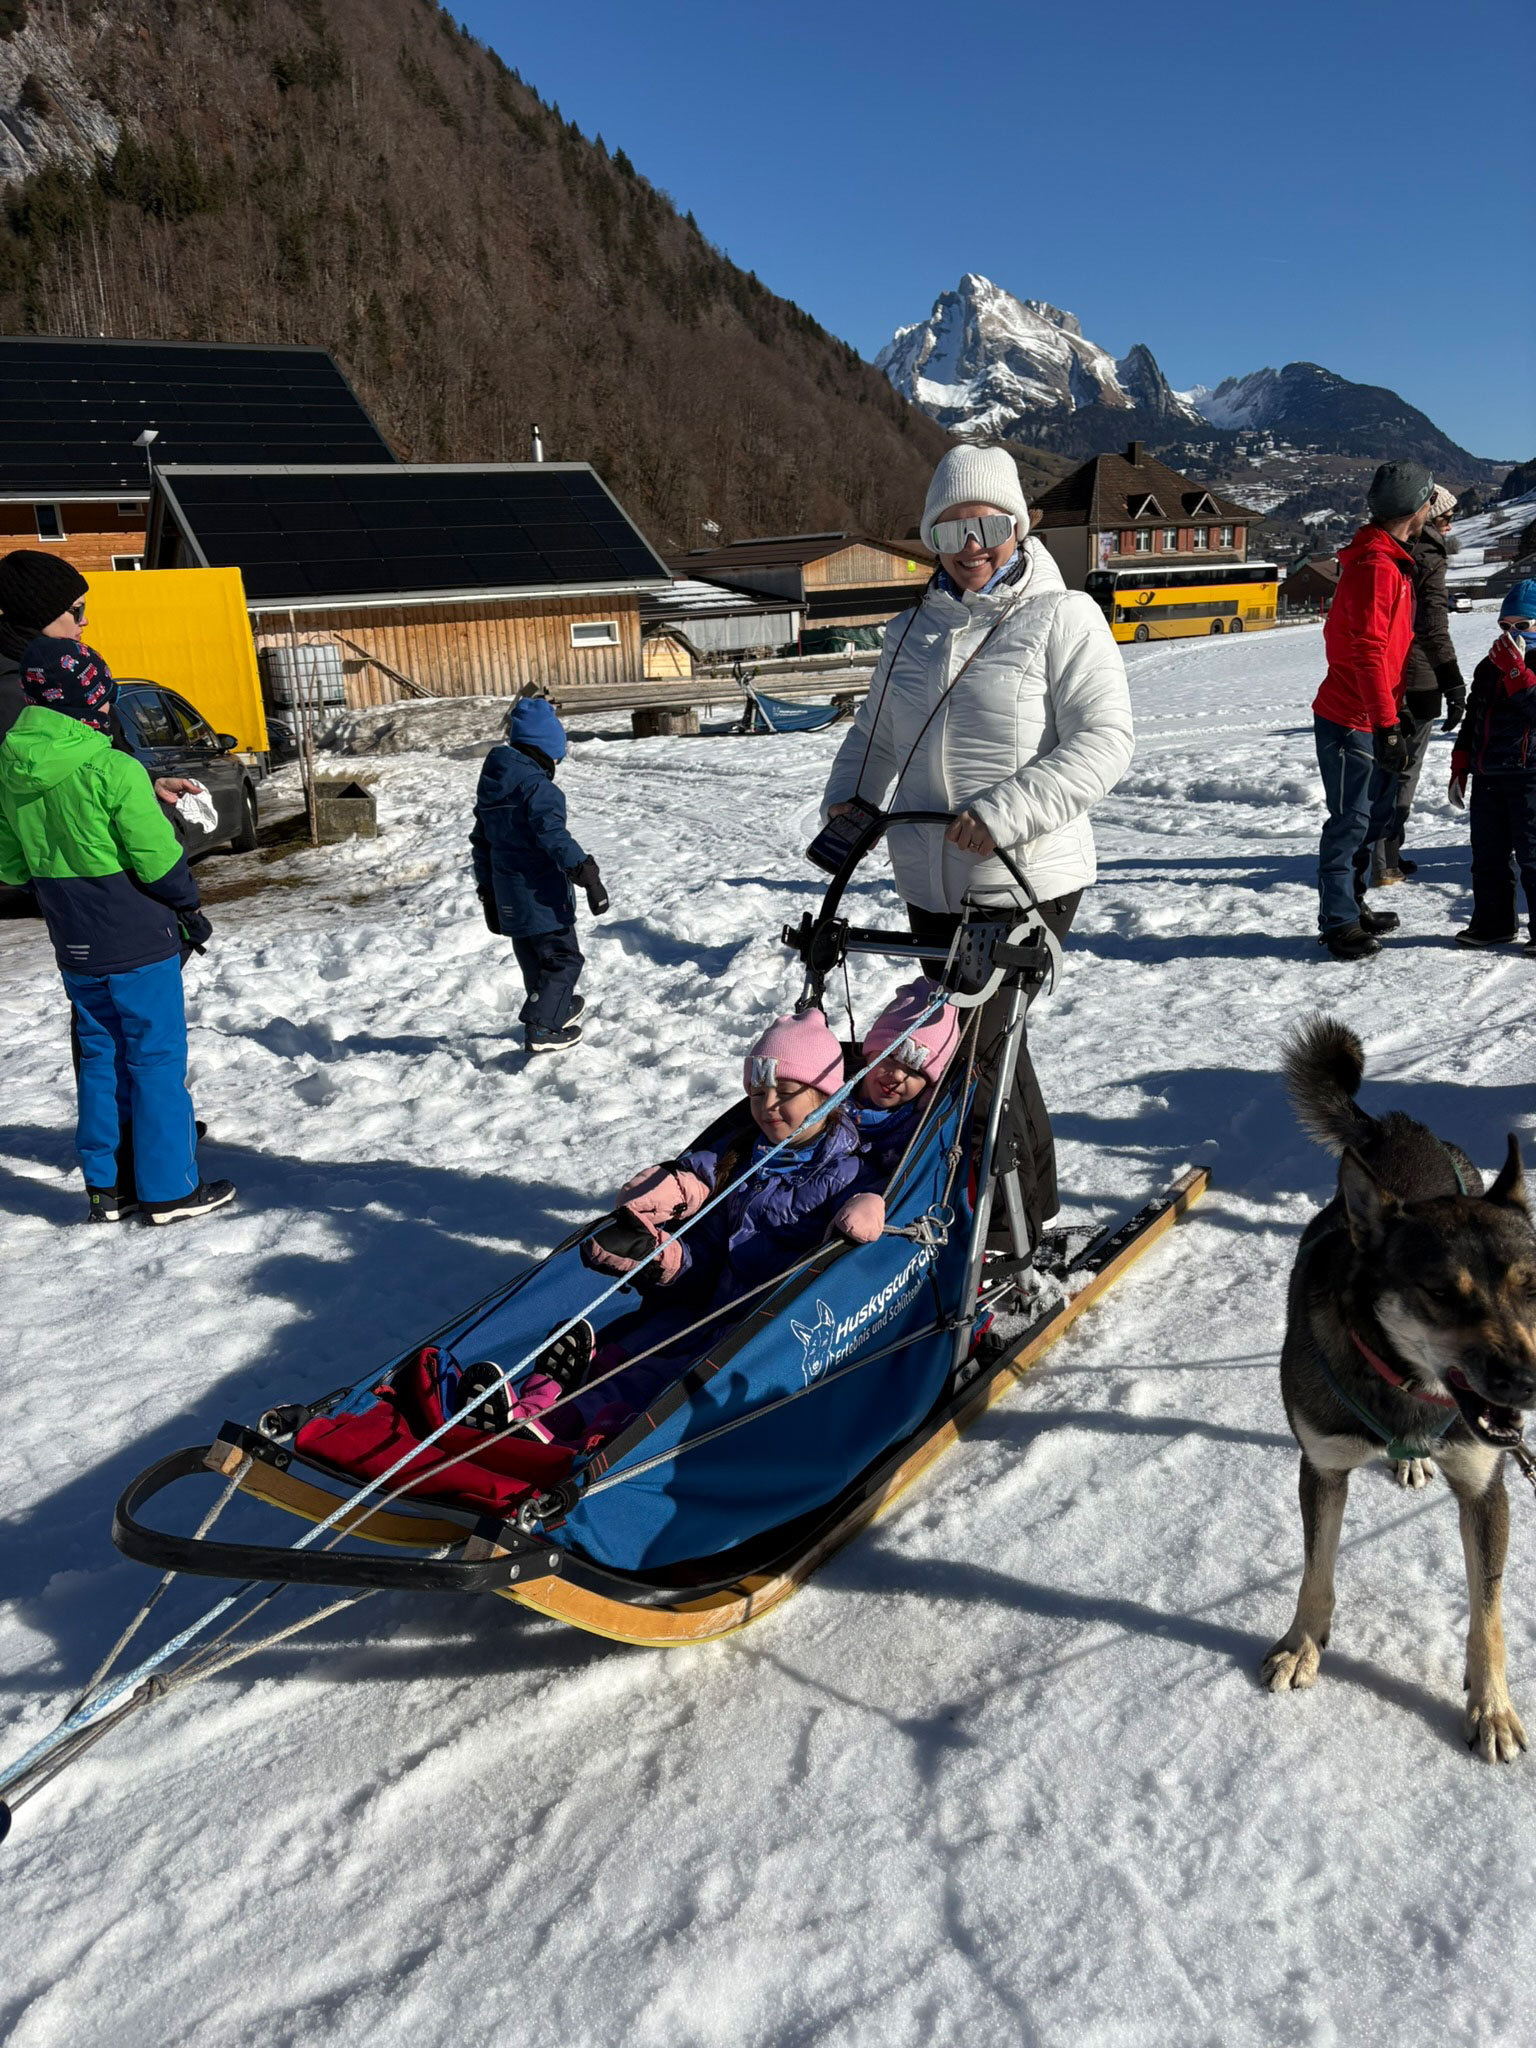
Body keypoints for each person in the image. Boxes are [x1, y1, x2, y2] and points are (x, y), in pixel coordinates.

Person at [818, 443, 1134, 1258]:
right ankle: (1021, 1203)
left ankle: (1007, 1228)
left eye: (991, 524)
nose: (973, 546)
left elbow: (1107, 741)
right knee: (975, 1049)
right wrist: (848, 804)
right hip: (928, 873)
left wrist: (1008, 811)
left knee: (979, 1050)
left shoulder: (1064, 618)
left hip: (1024, 874)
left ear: (1018, 526)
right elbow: (873, 736)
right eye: (952, 530)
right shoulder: (909, 631)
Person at [0, 597, 235, 1224]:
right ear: (90, 698)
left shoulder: (11, 764)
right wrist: (189, 905)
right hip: (135, 936)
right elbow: (158, 860)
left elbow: (9, 864)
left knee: (100, 1057)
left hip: (72, 941)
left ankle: (108, 1190)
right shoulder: (114, 767)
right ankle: (169, 1189)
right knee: (155, 1060)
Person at [1310, 460, 1436, 961]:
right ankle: (1338, 922)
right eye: (1430, 501)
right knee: (1349, 820)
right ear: (1416, 506)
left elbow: (1387, 652)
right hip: (1349, 718)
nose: (1432, 509)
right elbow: (1363, 651)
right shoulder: (1376, 567)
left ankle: (1353, 904)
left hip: (1372, 712)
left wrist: (1394, 711)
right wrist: (1384, 723)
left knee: (1368, 819)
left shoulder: (1390, 560)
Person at [470, 696, 608, 1054]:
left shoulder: (495, 785)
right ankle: (543, 1028)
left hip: (508, 895)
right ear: (545, 749)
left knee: (534, 957)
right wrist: (586, 872)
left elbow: (481, 842)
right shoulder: (538, 788)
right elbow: (554, 836)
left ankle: (554, 1007)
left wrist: (487, 891)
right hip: (540, 894)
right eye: (557, 752)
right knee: (563, 959)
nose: (559, 760)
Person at [1372, 483, 1466, 885]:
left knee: (1384, 765)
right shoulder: (1429, 556)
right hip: (1418, 677)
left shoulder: (1390, 549)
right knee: (1405, 769)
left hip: (1384, 676)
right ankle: (1385, 858)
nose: (1449, 527)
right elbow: (1433, 627)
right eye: (1446, 518)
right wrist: (1453, 681)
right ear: (1430, 516)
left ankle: (1382, 853)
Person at [831, 979, 962, 1244]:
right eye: (889, 1057)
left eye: (914, 1071)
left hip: (854, 1215)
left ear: (928, 1085)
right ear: (869, 1053)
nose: (897, 1076)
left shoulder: (915, 1127)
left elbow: (906, 1181)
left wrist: (873, 1198)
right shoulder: (833, 1092)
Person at [1447, 581, 1536, 948]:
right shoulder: (1489, 664)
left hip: (1530, 773)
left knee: (1533, 855)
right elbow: (1474, 716)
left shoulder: (1517, 665)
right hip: (1489, 773)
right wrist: (1461, 764)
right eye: (1505, 626)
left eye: (1522, 625)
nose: (1512, 634)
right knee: (1487, 855)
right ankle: (1494, 923)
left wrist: (1517, 672)